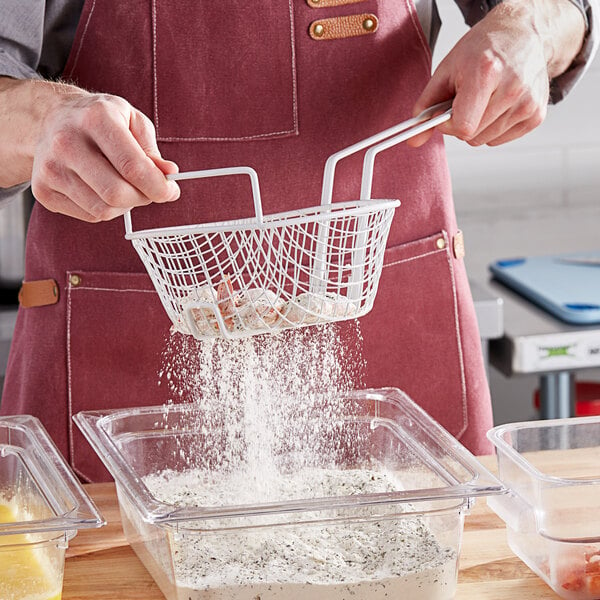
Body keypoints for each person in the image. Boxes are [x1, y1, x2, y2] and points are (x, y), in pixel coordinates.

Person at [0, 0, 596, 482]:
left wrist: (528, 30)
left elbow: (560, 13)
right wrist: (46, 118)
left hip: (394, 331)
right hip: (125, 356)